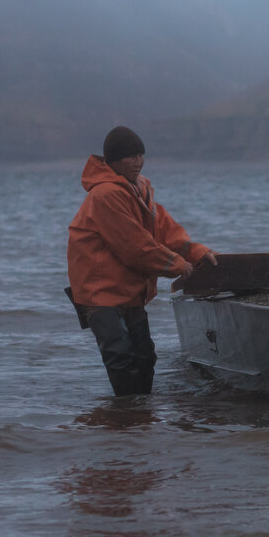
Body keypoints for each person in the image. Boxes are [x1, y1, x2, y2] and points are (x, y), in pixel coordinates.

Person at [67, 126, 217, 396]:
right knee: (120, 358)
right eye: (130, 156)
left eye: (140, 155)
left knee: (145, 356)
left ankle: (138, 423)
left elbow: (164, 230)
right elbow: (135, 246)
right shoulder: (105, 195)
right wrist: (177, 265)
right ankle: (126, 421)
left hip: (128, 291)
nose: (138, 162)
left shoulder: (141, 187)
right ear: (113, 161)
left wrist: (196, 252)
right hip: (99, 292)